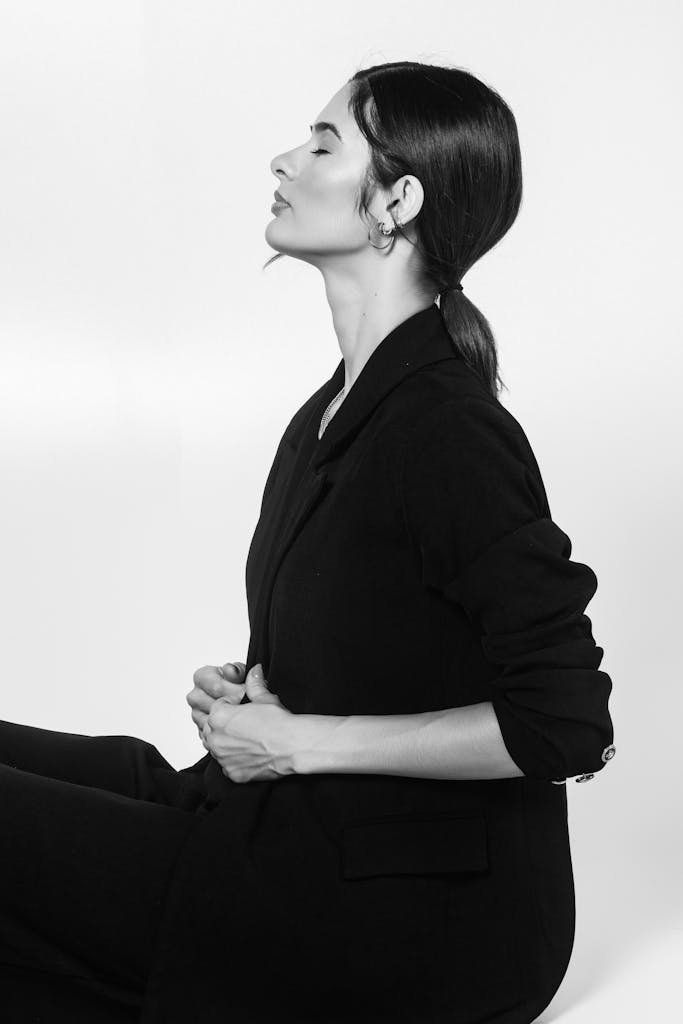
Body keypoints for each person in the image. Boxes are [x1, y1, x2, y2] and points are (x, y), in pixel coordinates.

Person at [0, 61, 616, 1024]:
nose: (285, 159)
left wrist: (297, 743)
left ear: (397, 199)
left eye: (325, 144)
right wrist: (258, 695)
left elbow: (565, 726)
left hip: (419, 911)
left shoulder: (447, 430)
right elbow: (382, 639)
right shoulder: (331, 411)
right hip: (282, 819)